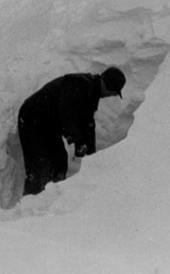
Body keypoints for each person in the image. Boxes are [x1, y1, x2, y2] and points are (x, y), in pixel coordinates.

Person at [17, 66, 126, 197]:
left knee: (59, 160)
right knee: (39, 164)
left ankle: (52, 198)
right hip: (33, 119)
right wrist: (78, 141)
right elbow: (67, 114)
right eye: (114, 92)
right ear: (108, 85)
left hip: (49, 123)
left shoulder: (92, 92)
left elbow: (87, 125)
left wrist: (92, 155)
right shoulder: (79, 84)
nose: (112, 95)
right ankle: (30, 202)